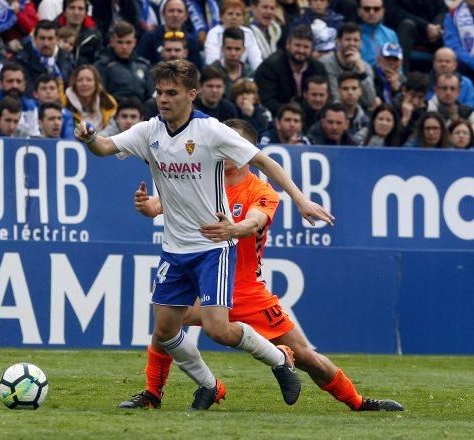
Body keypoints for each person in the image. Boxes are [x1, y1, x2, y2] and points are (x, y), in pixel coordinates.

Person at [74, 59, 334, 410]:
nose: (162, 99)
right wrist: (90, 137)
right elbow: (105, 147)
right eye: (159, 92)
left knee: (218, 330)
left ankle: (279, 359)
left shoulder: (210, 131)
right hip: (173, 249)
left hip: (212, 246)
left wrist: (301, 199)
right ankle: (209, 386)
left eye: (172, 93)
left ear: (191, 95)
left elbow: (265, 162)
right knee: (165, 332)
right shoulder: (149, 131)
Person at [119, 118, 404, 413]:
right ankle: (154, 394)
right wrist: (145, 206)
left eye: (234, 143)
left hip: (246, 289)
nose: (225, 148)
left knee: (305, 355)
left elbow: (254, 222)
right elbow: (157, 206)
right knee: (165, 326)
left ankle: (358, 402)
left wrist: (234, 228)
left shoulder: (262, 191)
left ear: (247, 149)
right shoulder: (200, 179)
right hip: (204, 278)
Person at [254, 24, 327, 116]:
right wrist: (295, 113)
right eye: (297, 45)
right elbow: (267, 101)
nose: (301, 50)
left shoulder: (318, 68)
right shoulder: (270, 67)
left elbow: (326, 97)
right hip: (277, 117)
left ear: (312, 49)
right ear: (288, 45)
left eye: (306, 47)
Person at [319, 22, 378, 110]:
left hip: (358, 114)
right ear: (338, 41)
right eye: (348, 39)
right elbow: (335, 98)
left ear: (361, 43)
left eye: (356, 40)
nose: (352, 44)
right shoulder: (324, 63)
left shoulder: (365, 67)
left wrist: (361, 71)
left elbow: (370, 101)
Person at [93, 20, 153, 103]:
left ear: (134, 43)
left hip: (141, 112)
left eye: (128, 42)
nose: (124, 47)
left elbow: (150, 96)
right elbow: (101, 97)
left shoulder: (144, 65)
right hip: (115, 112)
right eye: (120, 42)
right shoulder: (102, 66)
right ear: (112, 42)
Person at [135, 0, 203, 69]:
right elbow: (141, 66)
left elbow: (196, 71)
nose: (175, 15)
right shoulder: (149, 38)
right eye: (171, 11)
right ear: (163, 14)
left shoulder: (191, 42)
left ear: (186, 16)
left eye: (179, 11)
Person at [15, 19, 74, 92]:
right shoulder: (23, 60)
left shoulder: (66, 58)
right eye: (42, 38)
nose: (46, 43)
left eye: (50, 39)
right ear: (35, 39)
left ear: (57, 39)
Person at [203, 0, 263, 70]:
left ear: (243, 19)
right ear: (222, 17)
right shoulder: (214, 33)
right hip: (218, 74)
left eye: (238, 14)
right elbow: (212, 62)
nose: (234, 17)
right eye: (230, 14)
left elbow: (256, 61)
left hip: (241, 75)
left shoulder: (248, 33)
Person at [63, 64, 116, 132]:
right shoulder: (63, 102)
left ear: (96, 83)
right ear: (74, 83)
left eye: (89, 80)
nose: (84, 84)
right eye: (80, 80)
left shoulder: (109, 102)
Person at [54, 0, 101, 65]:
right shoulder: (53, 34)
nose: (76, 12)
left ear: (86, 14)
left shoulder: (94, 38)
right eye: (72, 8)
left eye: (80, 9)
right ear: (64, 12)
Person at [210, 27, 253, 97]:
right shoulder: (211, 71)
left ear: (243, 50)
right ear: (222, 49)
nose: (233, 53)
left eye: (237, 49)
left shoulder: (250, 73)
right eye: (229, 48)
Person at [357, 0, 398, 67]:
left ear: (383, 11)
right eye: (367, 9)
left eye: (376, 9)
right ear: (359, 11)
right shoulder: (352, 35)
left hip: (388, 75)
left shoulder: (391, 34)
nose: (371, 12)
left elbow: (398, 67)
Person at [33, 72, 74, 138]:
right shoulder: (30, 111)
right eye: (44, 88)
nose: (48, 92)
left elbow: (69, 139)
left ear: (58, 93)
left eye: (52, 88)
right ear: (35, 94)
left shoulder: (66, 114)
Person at [337, 71, 370, 144]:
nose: (350, 93)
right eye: (345, 89)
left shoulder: (366, 121)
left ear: (360, 91)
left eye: (354, 88)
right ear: (338, 91)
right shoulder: (327, 115)